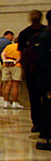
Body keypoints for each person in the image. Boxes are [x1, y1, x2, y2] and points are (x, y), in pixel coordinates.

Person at [18, 10, 46, 133]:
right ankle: (37, 123)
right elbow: (22, 54)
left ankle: (43, 123)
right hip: (33, 71)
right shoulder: (25, 33)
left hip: (43, 71)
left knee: (42, 98)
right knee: (35, 98)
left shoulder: (46, 32)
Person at [34, 10, 51, 151]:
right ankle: (44, 137)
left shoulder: (45, 35)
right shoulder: (46, 36)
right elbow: (45, 61)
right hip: (47, 79)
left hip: (45, 78)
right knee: (47, 107)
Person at [0, 30, 15, 107]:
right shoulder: (8, 43)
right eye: (12, 36)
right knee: (6, 83)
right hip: (5, 64)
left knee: (0, 82)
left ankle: (0, 99)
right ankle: (6, 100)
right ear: (8, 34)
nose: (12, 38)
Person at [0, 38, 22, 110]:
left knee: (7, 85)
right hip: (16, 66)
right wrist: (15, 61)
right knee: (15, 85)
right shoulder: (20, 46)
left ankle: (6, 102)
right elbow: (20, 56)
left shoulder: (8, 46)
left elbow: (3, 54)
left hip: (6, 65)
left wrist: (4, 61)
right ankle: (15, 102)